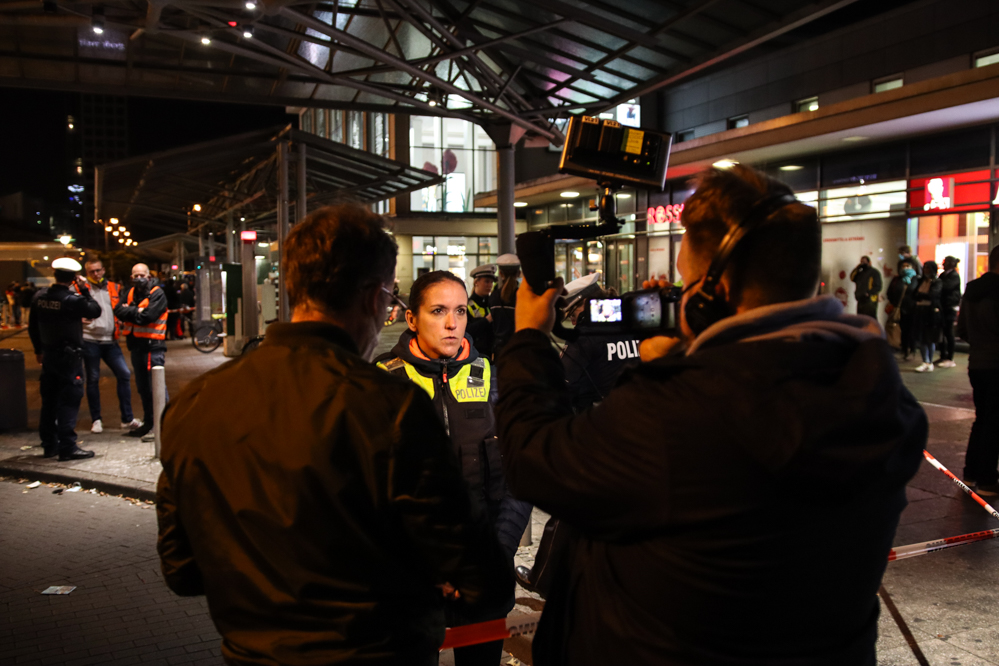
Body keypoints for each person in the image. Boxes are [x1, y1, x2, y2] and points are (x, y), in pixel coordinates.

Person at [495, 165, 926, 666]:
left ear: (711, 294)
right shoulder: (881, 394)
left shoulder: (677, 413)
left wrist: (528, 339)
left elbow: (531, 457)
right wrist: (687, 364)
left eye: (688, 281)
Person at [156, 204, 512, 666]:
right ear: (373, 298)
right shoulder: (393, 408)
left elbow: (181, 570)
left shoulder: (193, 404)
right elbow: (483, 577)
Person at [376, 270, 531, 666]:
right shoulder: (379, 385)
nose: (452, 324)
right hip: (410, 584)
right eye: (438, 311)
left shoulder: (493, 381)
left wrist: (495, 555)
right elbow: (365, 492)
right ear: (411, 319)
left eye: (460, 311)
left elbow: (519, 480)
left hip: (483, 580)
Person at [28, 258, 102, 461]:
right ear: (73, 279)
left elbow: (33, 326)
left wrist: (38, 350)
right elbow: (95, 310)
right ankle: (68, 447)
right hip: (70, 358)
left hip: (49, 355)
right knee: (69, 399)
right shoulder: (72, 300)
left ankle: (49, 445)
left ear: (55, 275)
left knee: (49, 400)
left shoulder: (40, 297)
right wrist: (85, 290)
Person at [74, 258, 141, 434]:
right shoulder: (80, 289)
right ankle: (96, 419)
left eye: (98, 270)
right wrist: (78, 319)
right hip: (90, 339)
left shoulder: (114, 287)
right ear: (87, 273)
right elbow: (71, 309)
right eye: (91, 272)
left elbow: (120, 308)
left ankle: (127, 418)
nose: (95, 274)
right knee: (93, 379)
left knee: (124, 374)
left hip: (111, 340)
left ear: (103, 270)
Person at [957, 246, 999, 496]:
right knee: (993, 422)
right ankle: (986, 479)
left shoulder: (972, 290)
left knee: (982, 418)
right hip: (996, 364)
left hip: (978, 363)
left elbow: (961, 330)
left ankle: (972, 472)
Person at [114, 263, 168, 438]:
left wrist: (131, 312)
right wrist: (137, 310)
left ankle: (164, 426)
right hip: (136, 346)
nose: (138, 279)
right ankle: (149, 423)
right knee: (143, 388)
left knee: (156, 387)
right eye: (135, 276)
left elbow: (148, 317)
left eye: (142, 275)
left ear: (149, 277)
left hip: (153, 346)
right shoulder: (129, 293)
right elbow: (118, 310)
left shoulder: (157, 293)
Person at [912, 260, 942, 373]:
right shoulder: (921, 281)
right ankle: (926, 360)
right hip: (920, 310)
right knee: (922, 337)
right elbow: (913, 294)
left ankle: (929, 362)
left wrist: (921, 295)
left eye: (928, 268)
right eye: (924, 268)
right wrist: (921, 296)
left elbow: (933, 295)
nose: (925, 270)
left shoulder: (937, 282)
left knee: (929, 337)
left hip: (931, 312)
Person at [489, 254, 520, 358]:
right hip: (518, 348)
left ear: (501, 274)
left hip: (499, 349)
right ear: (519, 274)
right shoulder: (522, 297)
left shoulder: (494, 296)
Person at [885, 260, 918, 361]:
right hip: (899, 308)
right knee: (902, 330)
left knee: (911, 330)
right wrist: (894, 303)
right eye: (903, 266)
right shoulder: (897, 279)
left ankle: (912, 350)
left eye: (908, 266)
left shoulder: (916, 279)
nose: (905, 268)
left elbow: (917, 292)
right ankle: (903, 349)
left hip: (912, 309)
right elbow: (890, 292)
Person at [466, 263, 496, 356]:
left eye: (491, 282)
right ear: (476, 282)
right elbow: (466, 331)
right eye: (487, 281)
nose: (490, 285)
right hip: (474, 354)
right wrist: (487, 320)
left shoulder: (493, 304)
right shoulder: (468, 305)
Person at [937, 256, 962, 368]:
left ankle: (950, 357)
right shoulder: (943, 275)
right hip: (942, 306)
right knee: (941, 332)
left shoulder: (954, 276)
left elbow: (946, 287)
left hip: (949, 307)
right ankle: (943, 354)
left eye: (945, 263)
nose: (943, 264)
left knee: (948, 332)